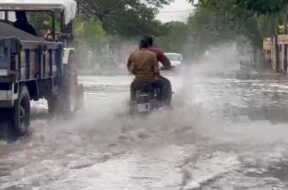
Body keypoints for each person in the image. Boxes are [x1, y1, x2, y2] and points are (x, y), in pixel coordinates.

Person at [143, 35, 173, 104]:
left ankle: (132, 102)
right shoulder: (157, 51)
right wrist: (167, 67)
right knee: (167, 83)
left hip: (140, 79)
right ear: (151, 43)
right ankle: (165, 103)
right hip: (154, 78)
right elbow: (167, 64)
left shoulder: (136, 52)